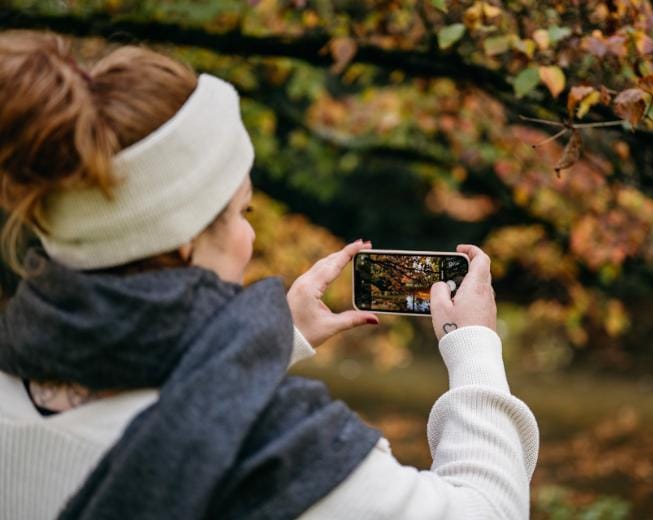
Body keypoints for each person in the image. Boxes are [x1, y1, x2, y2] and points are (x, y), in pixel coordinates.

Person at [0, 29, 539, 519]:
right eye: (242, 213)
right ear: (185, 236)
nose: (250, 237)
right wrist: (474, 351)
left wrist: (276, 340)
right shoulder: (278, 451)